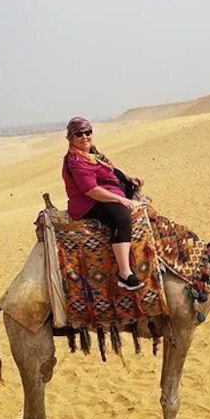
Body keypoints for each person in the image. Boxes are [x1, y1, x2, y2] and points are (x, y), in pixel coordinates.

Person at [62, 116, 145, 290]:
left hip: (105, 191)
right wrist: (120, 199)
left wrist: (128, 177)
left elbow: (108, 168)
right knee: (122, 218)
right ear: (71, 138)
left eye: (88, 132)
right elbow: (91, 190)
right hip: (88, 202)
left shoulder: (91, 153)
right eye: (79, 134)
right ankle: (125, 273)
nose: (85, 137)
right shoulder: (76, 161)